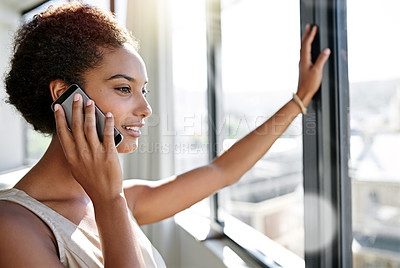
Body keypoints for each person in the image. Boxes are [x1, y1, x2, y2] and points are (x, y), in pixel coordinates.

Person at [0, 2, 330, 268]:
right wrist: (109, 200)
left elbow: (224, 171)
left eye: (144, 91)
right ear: (64, 94)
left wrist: (298, 99)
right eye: (124, 88)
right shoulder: (12, 227)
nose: (146, 109)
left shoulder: (119, 200)